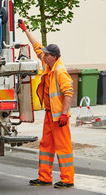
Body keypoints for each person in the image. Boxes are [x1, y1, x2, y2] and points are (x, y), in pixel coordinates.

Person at [18, 19, 74, 189]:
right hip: (50, 115)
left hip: (59, 117)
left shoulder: (60, 71)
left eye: (47, 54)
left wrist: (64, 114)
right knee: (46, 146)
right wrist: (25, 30)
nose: (44, 55)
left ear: (54, 57)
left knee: (63, 148)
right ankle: (44, 177)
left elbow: (69, 93)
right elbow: (37, 46)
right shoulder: (47, 64)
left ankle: (67, 179)